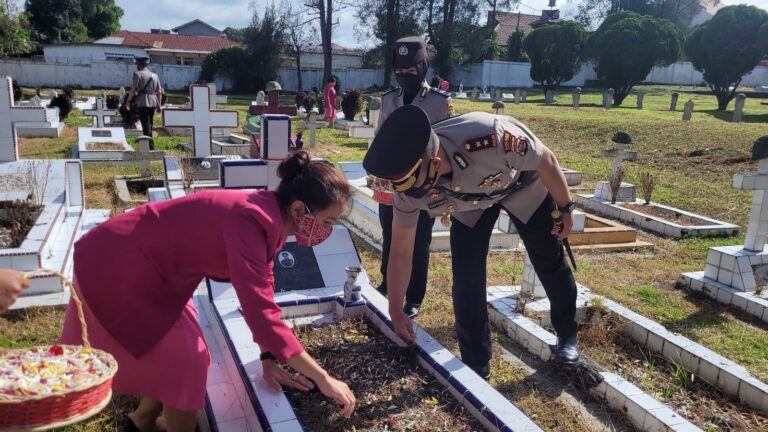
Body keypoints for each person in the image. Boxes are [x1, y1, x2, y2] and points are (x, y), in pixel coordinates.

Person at [61, 151, 356, 432]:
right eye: (327, 222)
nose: (327, 231)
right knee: (187, 360)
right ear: (299, 209)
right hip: (119, 264)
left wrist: (268, 357)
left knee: (175, 353)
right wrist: (324, 379)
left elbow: (262, 290)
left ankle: (141, 422)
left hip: (155, 273)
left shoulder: (269, 219)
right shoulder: (250, 219)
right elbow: (262, 314)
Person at [363, 105, 580, 380]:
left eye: (414, 185)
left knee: (547, 257)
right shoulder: (407, 186)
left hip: (520, 186)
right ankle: (476, 361)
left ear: (435, 164)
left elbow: (546, 160)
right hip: (470, 205)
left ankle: (567, 334)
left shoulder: (490, 136)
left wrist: (565, 207)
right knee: (466, 277)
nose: (409, 194)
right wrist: (395, 308)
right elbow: (401, 250)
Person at [371, 36, 450, 318]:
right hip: (391, 181)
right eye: (400, 71)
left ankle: (415, 295)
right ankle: (387, 283)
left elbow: (445, 143)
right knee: (390, 234)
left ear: (423, 67)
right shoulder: (388, 99)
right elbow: (381, 136)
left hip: (423, 182)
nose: (404, 76)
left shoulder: (440, 103)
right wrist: (377, 173)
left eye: (411, 71)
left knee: (420, 240)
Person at [126, 57, 162, 147]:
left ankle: (150, 146)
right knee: (149, 124)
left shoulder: (138, 74)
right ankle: (150, 144)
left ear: (138, 65)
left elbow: (133, 89)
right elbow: (159, 92)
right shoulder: (155, 75)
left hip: (143, 101)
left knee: (146, 125)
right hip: (153, 101)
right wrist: (159, 105)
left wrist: (128, 101)